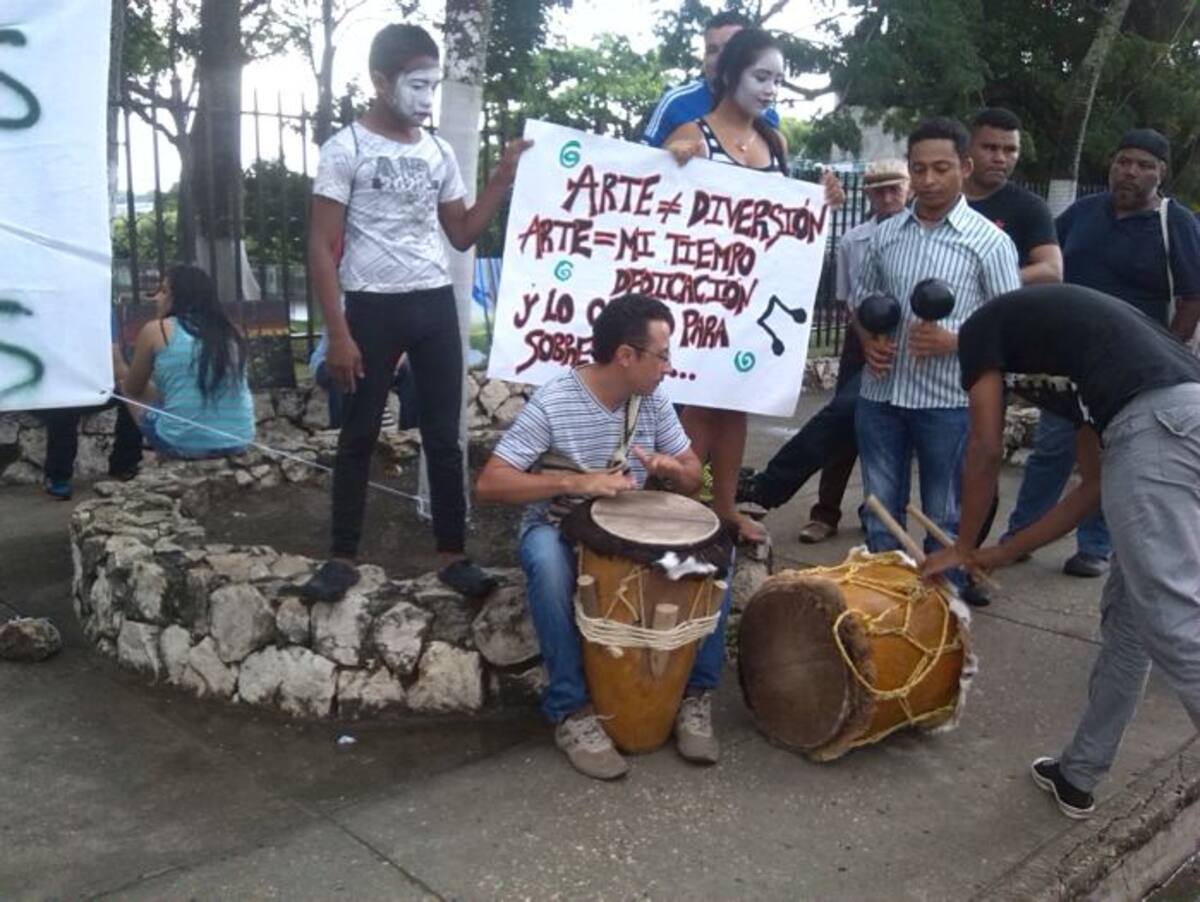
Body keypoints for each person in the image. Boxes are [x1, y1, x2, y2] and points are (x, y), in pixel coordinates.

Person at [923, 283, 1200, 820]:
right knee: (1130, 623)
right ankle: (1078, 774)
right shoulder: (1083, 371)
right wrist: (1002, 552)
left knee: (1174, 623)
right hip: (1179, 420)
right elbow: (1094, 488)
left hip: (1161, 428)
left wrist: (963, 545)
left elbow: (982, 446)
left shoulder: (983, 331)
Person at [302, 23, 530, 603]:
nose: (428, 99)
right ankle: (342, 556)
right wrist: (339, 333)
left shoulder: (438, 152)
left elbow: (461, 234)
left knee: (444, 437)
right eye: (416, 85)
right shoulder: (345, 149)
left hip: (432, 303)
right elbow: (321, 247)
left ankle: (454, 555)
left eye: (434, 86)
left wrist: (501, 180)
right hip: (370, 308)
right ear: (381, 82)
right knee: (358, 434)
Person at [476, 295, 713, 781]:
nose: (669, 367)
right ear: (626, 356)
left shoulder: (653, 399)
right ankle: (570, 711)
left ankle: (694, 695)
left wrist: (674, 470)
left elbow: (693, 476)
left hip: (634, 531)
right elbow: (491, 482)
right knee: (546, 563)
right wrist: (575, 482)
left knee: (711, 563)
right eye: (662, 355)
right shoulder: (556, 399)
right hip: (559, 527)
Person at [663, 27, 844, 544]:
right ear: (729, 75)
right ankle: (681, 508)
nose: (770, 89)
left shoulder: (774, 141)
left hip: (755, 294)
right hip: (701, 294)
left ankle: (723, 509)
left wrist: (821, 198)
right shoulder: (690, 136)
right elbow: (663, 206)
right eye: (761, 76)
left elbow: (784, 216)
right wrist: (674, 166)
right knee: (698, 403)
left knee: (735, 401)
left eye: (778, 80)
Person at [1002, 128, 1200, 579]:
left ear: (1161, 173)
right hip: (1068, 363)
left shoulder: (1176, 222)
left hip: (1133, 372)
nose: (1130, 171)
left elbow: (1192, 296)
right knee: (1052, 450)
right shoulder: (1083, 214)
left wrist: (1166, 351)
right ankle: (1020, 536)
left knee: (1114, 457)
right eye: (1123, 161)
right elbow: (1049, 266)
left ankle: (1096, 545)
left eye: (1144, 165)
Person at [851, 117, 1020, 592]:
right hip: (881, 393)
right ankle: (886, 607)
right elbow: (863, 301)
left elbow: (1010, 326)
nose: (927, 180)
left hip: (947, 401)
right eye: (918, 168)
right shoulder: (885, 235)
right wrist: (869, 339)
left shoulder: (989, 242)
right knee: (879, 510)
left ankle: (943, 614)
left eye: (940, 168)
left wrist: (956, 341)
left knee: (942, 516)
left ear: (964, 168)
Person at [738, 158, 910, 543]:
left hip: (911, 344)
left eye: (894, 188)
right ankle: (823, 510)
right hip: (863, 340)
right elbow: (849, 299)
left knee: (883, 432)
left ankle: (878, 514)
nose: (887, 197)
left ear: (908, 188)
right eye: (878, 190)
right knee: (843, 421)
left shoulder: (922, 232)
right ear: (866, 194)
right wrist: (868, 344)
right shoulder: (854, 239)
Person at [116, 264, 254, 458]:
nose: (157, 298)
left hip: (181, 443)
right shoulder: (231, 331)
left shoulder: (157, 330)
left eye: (164, 291)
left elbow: (134, 388)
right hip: (240, 439)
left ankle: (124, 463)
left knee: (124, 388)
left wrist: (120, 368)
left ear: (180, 297)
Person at [640, 11, 779, 149]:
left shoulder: (766, 114)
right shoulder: (676, 102)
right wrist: (669, 154)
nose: (720, 58)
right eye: (712, 50)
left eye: (729, 49)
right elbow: (642, 160)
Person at [964, 108, 1062, 285]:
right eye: (989, 148)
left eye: (1010, 150)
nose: (1000, 158)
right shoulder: (942, 200)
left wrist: (991, 281)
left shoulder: (1029, 207)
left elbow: (1052, 269)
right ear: (967, 149)